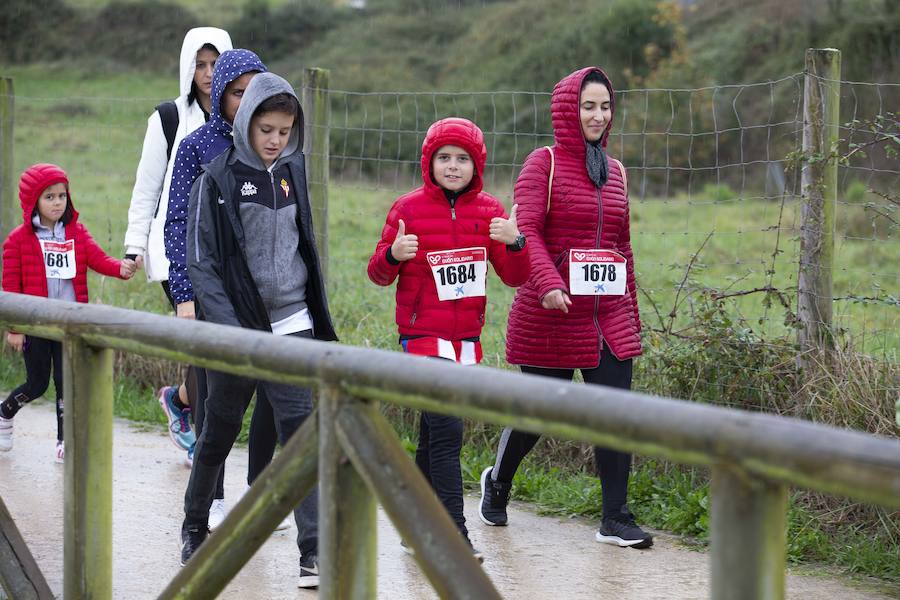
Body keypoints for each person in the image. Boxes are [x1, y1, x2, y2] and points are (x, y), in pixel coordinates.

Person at [478, 67, 653, 549]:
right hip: (551, 312)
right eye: (587, 106)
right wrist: (550, 283)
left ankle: (615, 516)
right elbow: (527, 230)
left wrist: (630, 316)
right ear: (566, 110)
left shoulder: (616, 172)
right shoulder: (544, 163)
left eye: (605, 106)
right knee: (538, 414)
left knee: (615, 413)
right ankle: (498, 481)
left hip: (607, 314)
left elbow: (623, 247)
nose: (598, 116)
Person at [181, 72, 337, 589]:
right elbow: (202, 265)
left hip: (293, 325)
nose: (275, 139)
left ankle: (312, 551)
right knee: (217, 433)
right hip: (237, 333)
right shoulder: (215, 178)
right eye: (266, 128)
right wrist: (230, 332)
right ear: (246, 122)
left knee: (301, 437)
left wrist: (317, 318)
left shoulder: (294, 172)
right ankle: (194, 527)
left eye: (284, 130)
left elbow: (304, 248)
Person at [367, 117, 529, 560]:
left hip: (465, 340)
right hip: (421, 336)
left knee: (433, 433)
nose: (453, 166)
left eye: (462, 159)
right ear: (429, 162)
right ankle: (453, 533)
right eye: (444, 158)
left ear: (476, 165)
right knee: (448, 432)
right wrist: (393, 255)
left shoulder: (491, 211)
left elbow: (515, 277)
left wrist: (515, 243)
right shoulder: (408, 209)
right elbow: (378, 275)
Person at [164, 48, 283, 532]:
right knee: (215, 402)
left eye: (255, 90)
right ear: (220, 98)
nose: (248, 99)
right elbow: (177, 222)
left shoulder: (275, 149)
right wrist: (184, 295)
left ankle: (259, 491)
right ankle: (210, 499)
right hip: (212, 295)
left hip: (270, 298)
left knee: (275, 397)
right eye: (238, 92)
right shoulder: (196, 146)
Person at [123, 26, 233, 465]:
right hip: (175, 253)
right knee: (203, 341)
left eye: (215, 64)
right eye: (199, 65)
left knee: (212, 346)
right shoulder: (167, 118)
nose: (208, 74)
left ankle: (182, 398)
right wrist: (134, 247)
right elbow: (147, 187)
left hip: (223, 252)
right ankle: (209, 460)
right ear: (187, 68)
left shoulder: (241, 117)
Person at [1, 164, 137, 461]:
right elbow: (9, 289)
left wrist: (121, 268)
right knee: (36, 384)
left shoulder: (75, 232)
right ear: (33, 201)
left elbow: (97, 258)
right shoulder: (18, 241)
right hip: (35, 325)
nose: (58, 202)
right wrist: (14, 328)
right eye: (49, 197)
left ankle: (65, 441)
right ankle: (6, 411)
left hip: (68, 324)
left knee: (67, 384)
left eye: (62, 195)